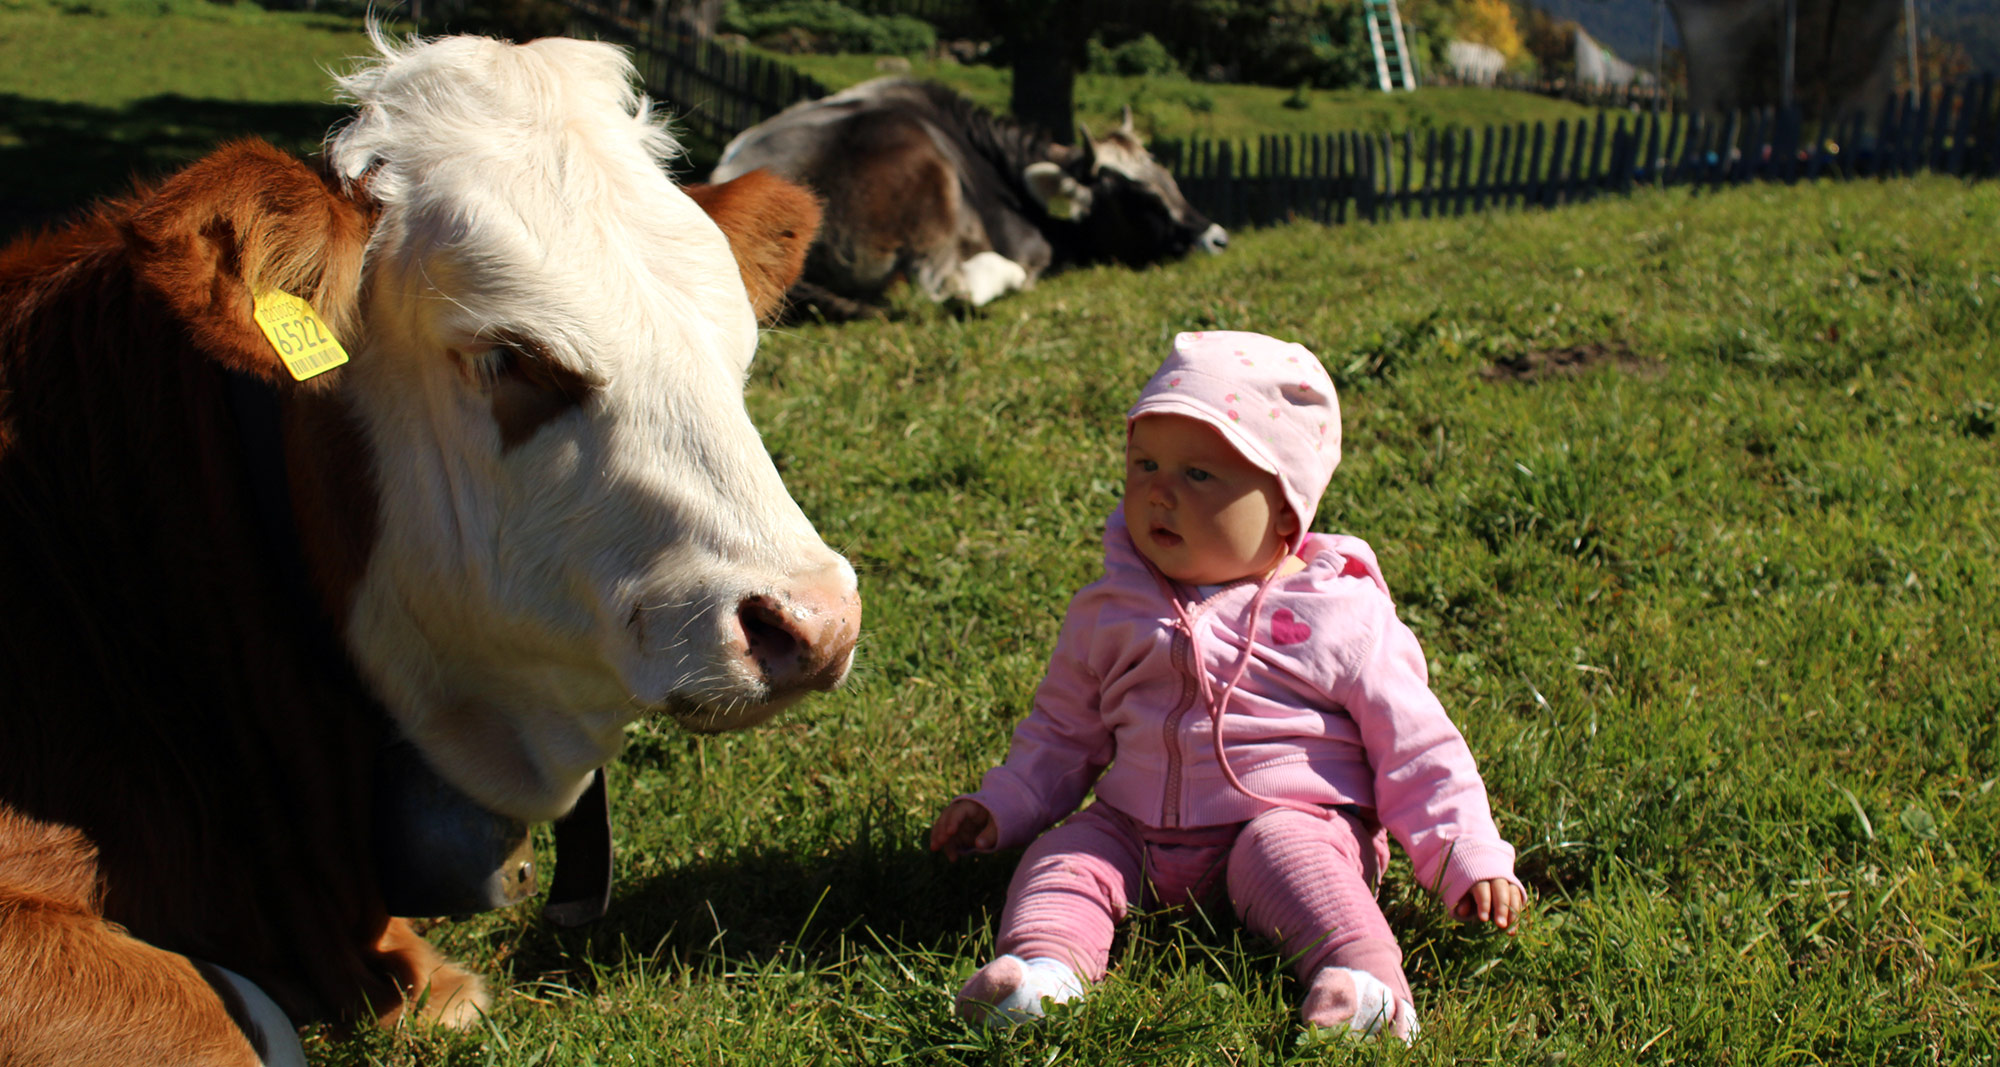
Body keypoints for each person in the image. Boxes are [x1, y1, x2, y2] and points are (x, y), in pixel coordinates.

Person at [928, 330, 1525, 1040]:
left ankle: (1363, 985)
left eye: (1198, 475)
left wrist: (1467, 857)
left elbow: (1418, 748)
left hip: (1292, 819)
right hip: (1136, 828)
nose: (1159, 490)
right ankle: (1043, 974)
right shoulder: (1109, 611)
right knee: (1065, 856)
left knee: (1290, 857)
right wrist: (1002, 803)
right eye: (1144, 464)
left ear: (1283, 508)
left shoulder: (1338, 613)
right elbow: (1060, 734)